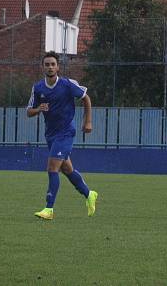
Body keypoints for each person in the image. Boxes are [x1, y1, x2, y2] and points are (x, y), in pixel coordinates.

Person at [26, 51, 98, 220]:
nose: (50, 67)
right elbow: (29, 112)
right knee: (67, 169)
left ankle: (49, 209)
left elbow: (86, 98)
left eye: (53, 64)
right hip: (50, 134)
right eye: (47, 64)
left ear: (58, 67)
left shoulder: (67, 84)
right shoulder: (38, 88)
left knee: (52, 167)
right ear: (42, 67)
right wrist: (39, 109)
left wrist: (88, 122)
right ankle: (89, 194)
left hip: (66, 132)